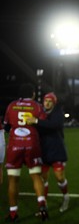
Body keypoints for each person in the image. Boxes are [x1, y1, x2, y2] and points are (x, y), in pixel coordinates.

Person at [3, 83, 49, 222]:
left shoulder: (11, 105)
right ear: (33, 94)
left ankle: (13, 213)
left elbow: (6, 126)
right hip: (32, 144)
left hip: (15, 145)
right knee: (36, 176)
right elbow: (43, 124)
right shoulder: (37, 106)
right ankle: (42, 207)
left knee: (13, 179)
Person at [26, 92, 70, 213]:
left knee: (59, 177)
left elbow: (54, 125)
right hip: (43, 150)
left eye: (50, 101)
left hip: (56, 149)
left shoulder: (58, 113)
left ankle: (66, 197)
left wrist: (36, 121)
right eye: (46, 101)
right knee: (43, 179)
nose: (47, 103)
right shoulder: (40, 112)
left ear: (54, 103)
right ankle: (43, 206)